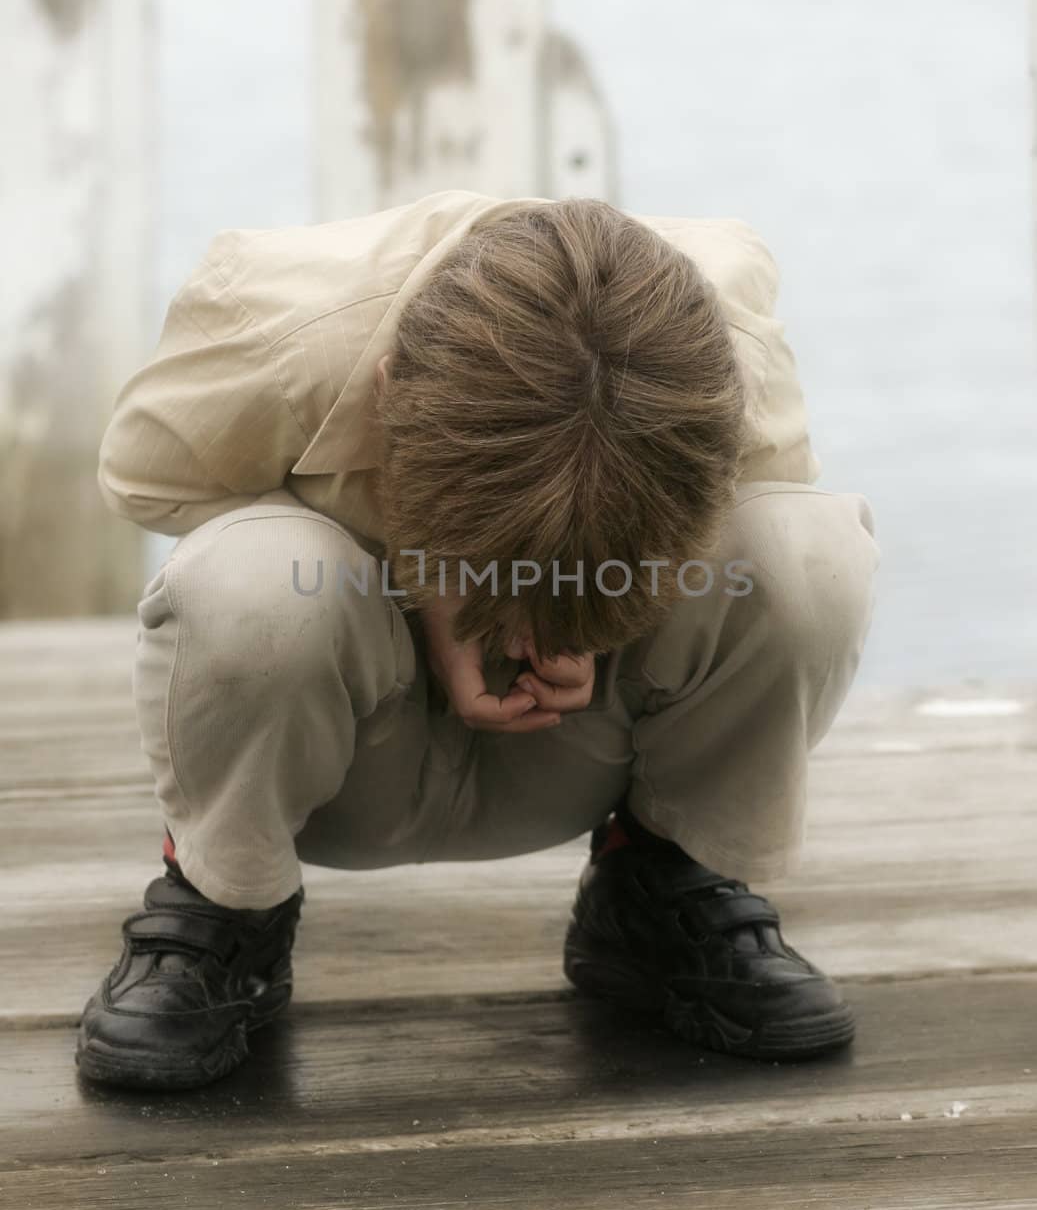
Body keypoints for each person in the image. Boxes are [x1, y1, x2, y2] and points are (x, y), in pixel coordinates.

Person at [76, 189, 879, 1090]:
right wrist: (439, 584)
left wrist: (581, 605)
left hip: (583, 745)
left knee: (801, 553)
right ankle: (225, 908)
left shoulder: (726, 334)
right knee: (252, 582)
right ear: (389, 396)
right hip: (345, 751)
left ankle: (660, 887)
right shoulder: (274, 321)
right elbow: (142, 482)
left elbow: (737, 526)